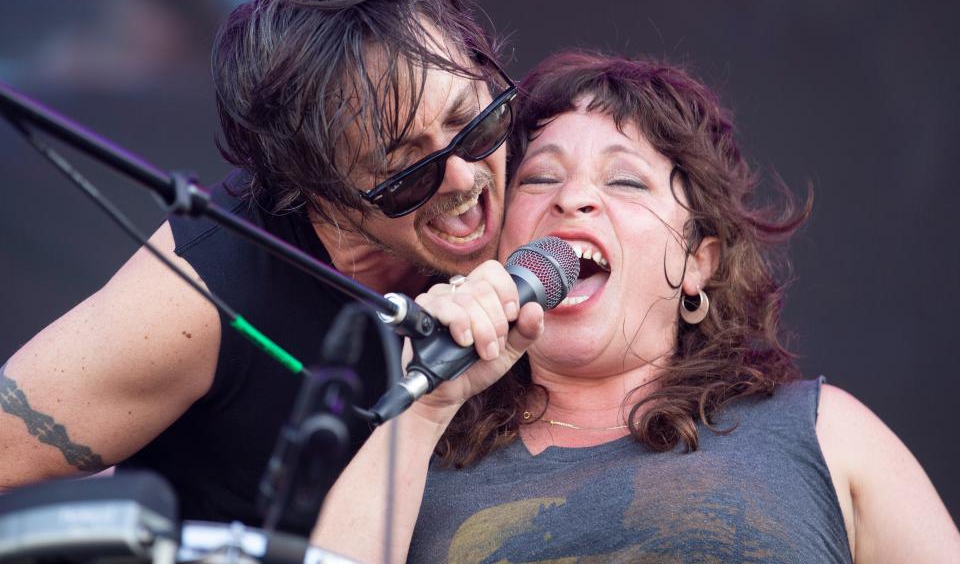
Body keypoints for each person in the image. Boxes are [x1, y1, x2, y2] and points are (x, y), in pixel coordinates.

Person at [312, 51, 960, 562]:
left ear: (698, 261)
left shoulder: (822, 432)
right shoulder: (416, 466)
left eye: (624, 180)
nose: (572, 200)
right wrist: (421, 411)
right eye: (539, 177)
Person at [0, 0, 516, 534]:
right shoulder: (198, 298)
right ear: (316, 187)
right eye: (404, 169)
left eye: (471, 122)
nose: (461, 175)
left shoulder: (543, 166)